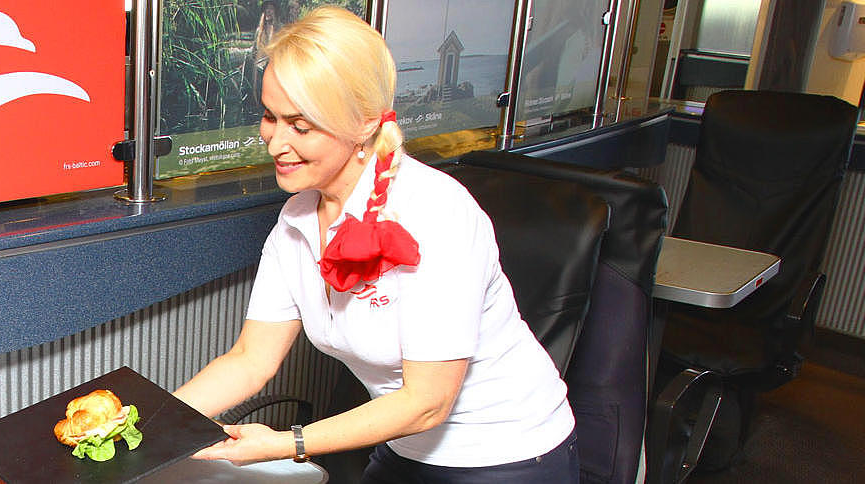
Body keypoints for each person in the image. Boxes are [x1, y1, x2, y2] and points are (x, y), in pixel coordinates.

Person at [171, 7, 578, 483]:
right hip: (405, 445)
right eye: (269, 116)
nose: (275, 141)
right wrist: (152, 421)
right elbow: (250, 360)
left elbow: (428, 402)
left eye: (300, 126)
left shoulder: (435, 211)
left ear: (364, 124)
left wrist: (287, 444)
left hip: (507, 454)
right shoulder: (297, 219)